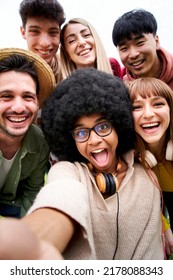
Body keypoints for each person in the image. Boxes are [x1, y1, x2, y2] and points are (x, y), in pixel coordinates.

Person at [0, 67, 163, 260]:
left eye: (103, 126)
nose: (94, 140)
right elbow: (60, 201)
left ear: (119, 125)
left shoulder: (147, 181)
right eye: (81, 132)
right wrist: (34, 244)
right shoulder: (67, 171)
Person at [0, 47, 55, 218]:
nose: (18, 108)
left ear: (38, 103)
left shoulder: (40, 143)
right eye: (6, 96)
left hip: (12, 205)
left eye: (28, 97)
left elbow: (32, 194)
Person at [127, 77, 173, 257]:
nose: (148, 114)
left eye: (158, 104)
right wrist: (165, 229)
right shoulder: (130, 158)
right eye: (136, 107)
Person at [112, 9, 173, 89]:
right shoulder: (123, 88)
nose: (133, 54)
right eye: (124, 48)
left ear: (156, 41)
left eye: (140, 43)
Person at [58, 18, 122, 82]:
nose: (81, 42)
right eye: (72, 40)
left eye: (86, 35)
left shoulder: (113, 66)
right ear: (66, 53)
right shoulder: (64, 89)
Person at [19, 0, 66, 83]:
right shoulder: (10, 73)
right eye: (35, 31)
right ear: (23, 32)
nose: (45, 43)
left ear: (60, 35)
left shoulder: (71, 70)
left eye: (53, 32)